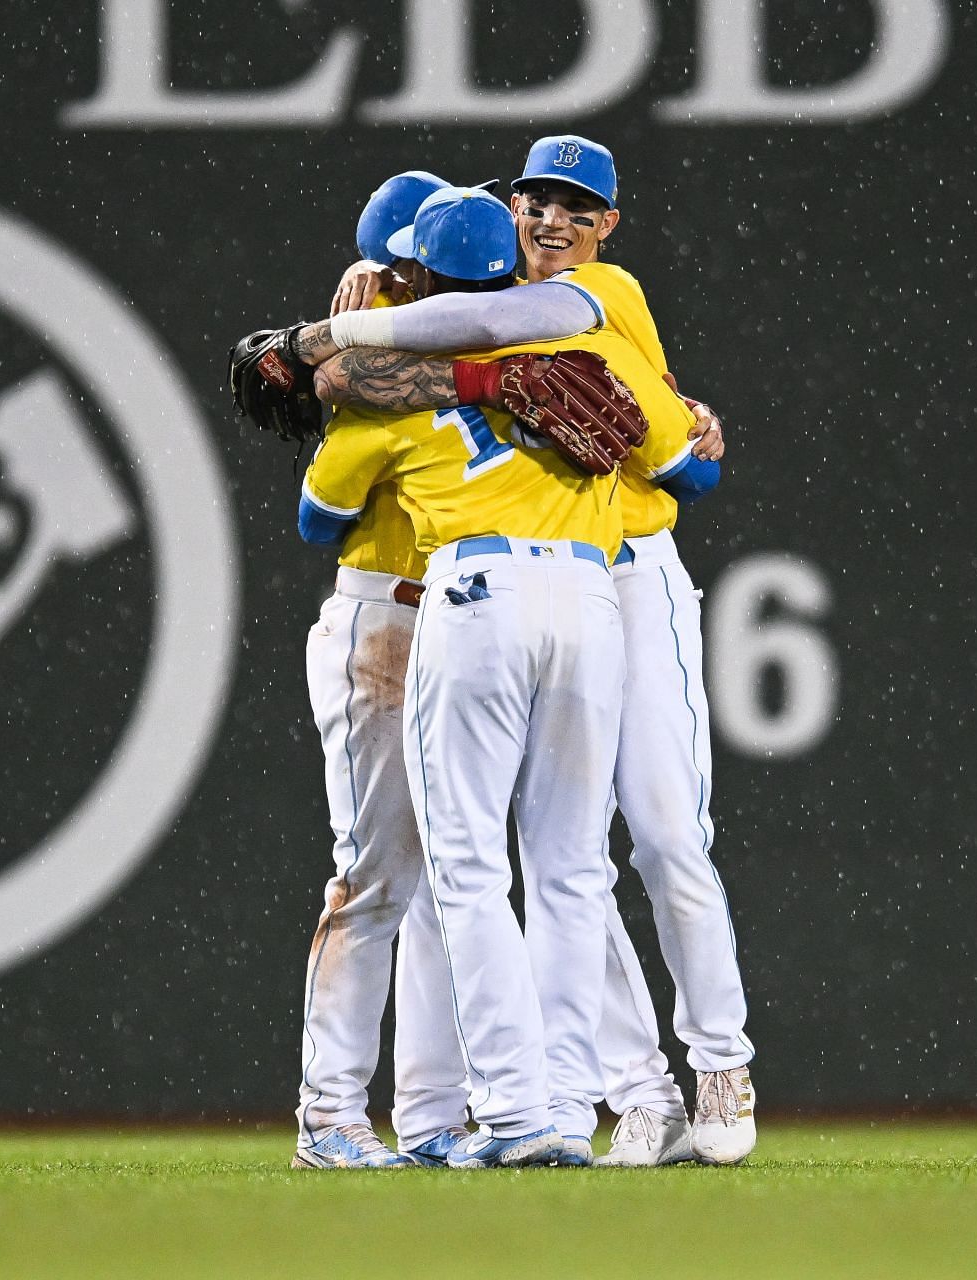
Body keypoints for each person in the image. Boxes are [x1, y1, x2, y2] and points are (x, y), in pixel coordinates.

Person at [295, 135, 756, 1166]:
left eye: (570, 205)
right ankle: (497, 1108)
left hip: (460, 600)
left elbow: (317, 518)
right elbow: (685, 467)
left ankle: (520, 1106)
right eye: (531, 203)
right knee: (541, 869)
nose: (549, 220)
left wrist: (342, 347)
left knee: (450, 875)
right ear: (505, 224)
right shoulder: (536, 359)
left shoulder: (432, 364)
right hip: (573, 590)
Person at [289, 171, 476, 1171]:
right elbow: (316, 515)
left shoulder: (457, 352)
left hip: (456, 624)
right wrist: (342, 354)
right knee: (373, 877)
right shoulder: (372, 365)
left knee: (457, 881)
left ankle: (436, 1113)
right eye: (417, 265)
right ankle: (329, 1114)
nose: (435, 280)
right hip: (380, 621)